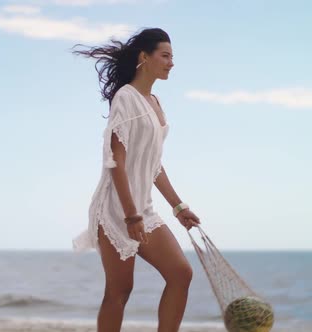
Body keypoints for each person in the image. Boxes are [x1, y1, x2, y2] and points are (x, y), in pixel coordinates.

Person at [71, 27, 201, 332]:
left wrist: (179, 206)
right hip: (118, 209)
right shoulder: (126, 98)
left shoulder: (155, 103)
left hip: (144, 210)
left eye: (172, 57)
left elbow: (154, 166)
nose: (171, 63)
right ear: (145, 57)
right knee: (119, 291)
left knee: (181, 274)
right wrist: (130, 214)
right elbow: (116, 161)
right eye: (165, 56)